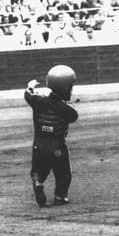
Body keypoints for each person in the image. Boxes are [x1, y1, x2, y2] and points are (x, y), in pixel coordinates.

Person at [24, 65, 78, 207]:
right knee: (63, 174)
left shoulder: (38, 101)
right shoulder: (67, 109)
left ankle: (38, 182)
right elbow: (73, 116)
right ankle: (60, 196)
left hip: (39, 144)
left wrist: (30, 86)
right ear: (65, 89)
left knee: (38, 170)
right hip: (58, 146)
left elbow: (27, 95)